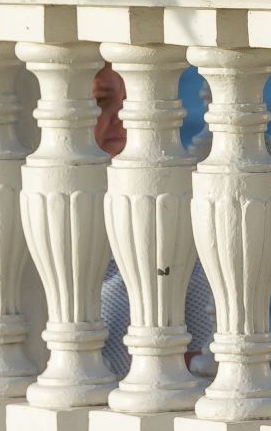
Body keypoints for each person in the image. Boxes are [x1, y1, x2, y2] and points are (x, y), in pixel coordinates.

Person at [92, 61, 216, 379]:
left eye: (132, 101)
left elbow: (198, 360)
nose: (122, 119)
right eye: (100, 102)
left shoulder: (172, 221)